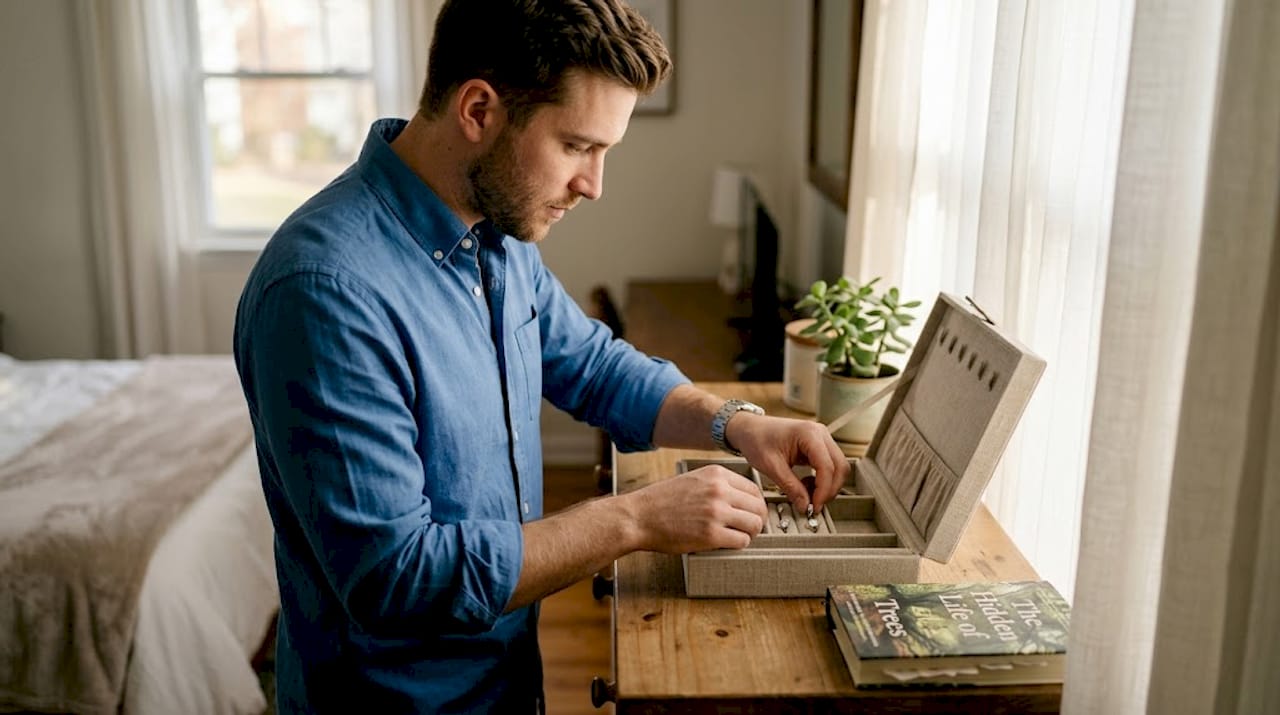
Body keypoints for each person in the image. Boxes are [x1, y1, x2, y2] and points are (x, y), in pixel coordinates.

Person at [233, 0, 850, 712]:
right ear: (478, 110)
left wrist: (738, 422)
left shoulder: (492, 236)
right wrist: (635, 520)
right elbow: (397, 577)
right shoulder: (323, 292)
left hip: (507, 681)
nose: (593, 184)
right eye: (578, 146)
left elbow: (592, 365)